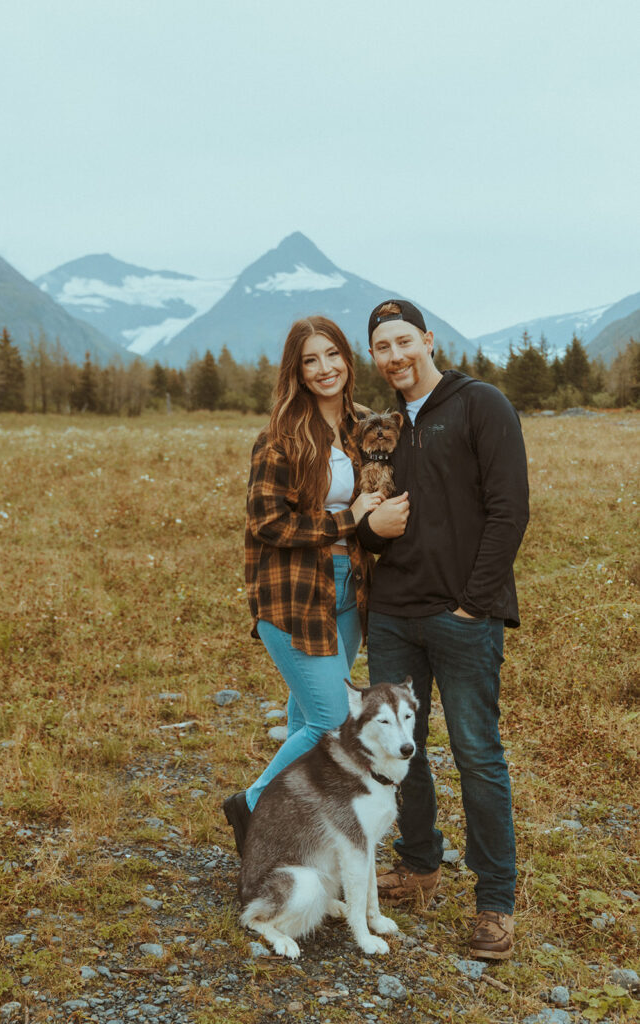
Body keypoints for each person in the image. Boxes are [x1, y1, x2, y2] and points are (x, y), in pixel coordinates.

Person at [358, 299, 529, 960]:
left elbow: (508, 507)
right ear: (374, 359)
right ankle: (420, 864)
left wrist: (473, 603)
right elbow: (367, 518)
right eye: (381, 347)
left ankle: (494, 904)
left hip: (462, 616)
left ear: (428, 340)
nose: (395, 356)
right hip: (394, 616)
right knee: (399, 750)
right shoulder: (380, 426)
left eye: (404, 341)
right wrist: (368, 532)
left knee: (476, 754)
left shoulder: (479, 404)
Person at [223, 316, 383, 856]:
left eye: (332, 355)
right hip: (293, 593)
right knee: (331, 722)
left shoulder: (364, 426)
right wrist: (347, 520)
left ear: (347, 358)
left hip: (350, 588)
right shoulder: (280, 436)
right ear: (297, 369)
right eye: (310, 360)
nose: (324, 369)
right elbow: (266, 522)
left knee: (302, 713)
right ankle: (253, 806)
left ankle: (290, 832)